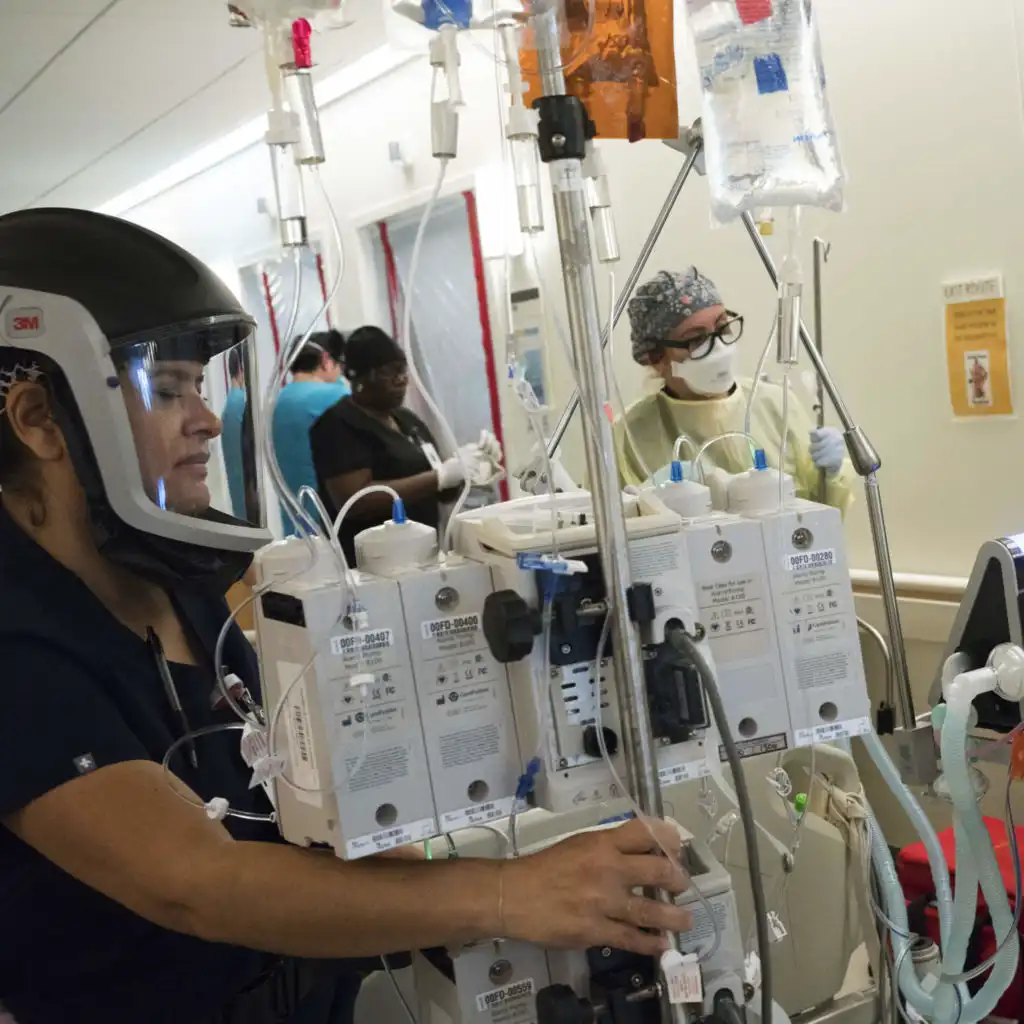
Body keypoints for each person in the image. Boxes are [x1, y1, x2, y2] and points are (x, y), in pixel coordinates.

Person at [0, 209, 691, 1024]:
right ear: (40, 420)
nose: (206, 419)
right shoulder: (19, 642)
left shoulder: (180, 577)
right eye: (171, 389)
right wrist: (510, 892)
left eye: (202, 387)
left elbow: (298, 795)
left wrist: (479, 875)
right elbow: (198, 883)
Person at [614, 267, 855, 512]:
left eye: (722, 328)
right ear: (656, 358)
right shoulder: (629, 436)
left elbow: (824, 512)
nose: (718, 348)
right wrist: (636, 506)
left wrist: (832, 475)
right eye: (696, 340)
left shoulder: (775, 405)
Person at [309, 326, 500, 564]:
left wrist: (468, 468)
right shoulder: (337, 425)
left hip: (422, 555)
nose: (401, 379)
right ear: (360, 378)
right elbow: (356, 502)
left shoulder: (407, 421)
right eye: (389, 372)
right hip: (369, 564)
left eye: (402, 370)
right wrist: (439, 476)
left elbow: (444, 493)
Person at [272, 329, 350, 534]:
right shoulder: (336, 396)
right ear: (326, 360)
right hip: (331, 524)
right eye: (339, 364)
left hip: (295, 525)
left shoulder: (278, 401)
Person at [221, 347, 247, 520]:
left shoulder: (230, 403)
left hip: (236, 481)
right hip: (244, 482)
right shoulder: (239, 403)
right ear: (241, 369)